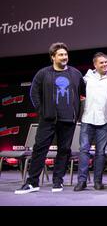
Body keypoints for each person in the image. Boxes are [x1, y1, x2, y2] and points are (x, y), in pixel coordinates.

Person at [15, 42, 85, 194]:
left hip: (68, 120)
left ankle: (58, 182)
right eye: (60, 54)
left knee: (64, 150)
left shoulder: (75, 74)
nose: (64, 57)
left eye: (65, 54)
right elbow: (34, 93)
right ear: (53, 57)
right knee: (39, 150)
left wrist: (77, 113)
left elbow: (83, 93)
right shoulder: (43, 73)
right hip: (48, 119)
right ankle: (32, 182)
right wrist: (42, 111)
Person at [73, 52, 107, 191]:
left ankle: (98, 181)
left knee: (100, 152)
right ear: (95, 64)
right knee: (83, 150)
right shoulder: (88, 77)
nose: (105, 64)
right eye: (101, 62)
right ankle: (81, 181)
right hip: (87, 119)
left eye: (106, 62)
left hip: (105, 120)